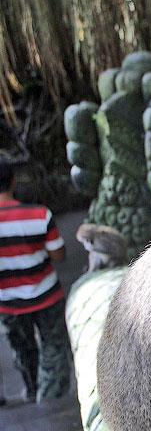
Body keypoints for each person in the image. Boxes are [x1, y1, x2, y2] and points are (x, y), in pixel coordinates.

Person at [0, 163, 71, 403]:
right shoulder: (39, 215)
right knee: (54, 348)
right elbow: (59, 255)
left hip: (8, 303)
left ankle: (32, 391)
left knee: (23, 350)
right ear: (13, 182)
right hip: (46, 295)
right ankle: (49, 400)